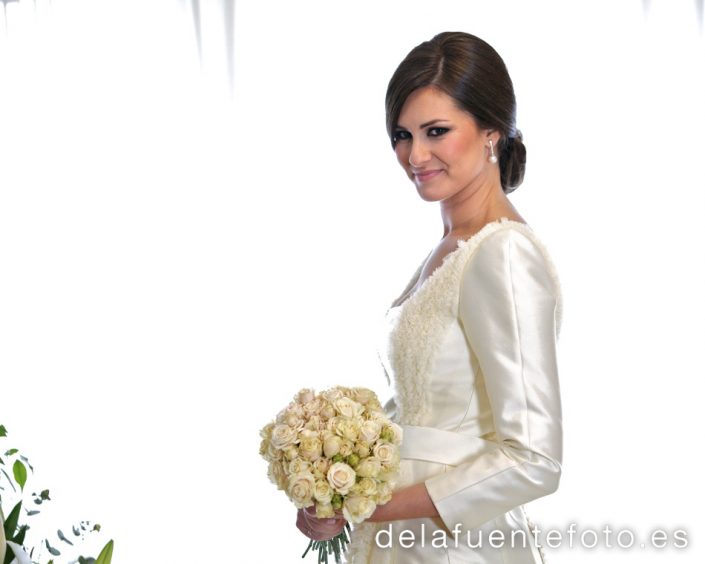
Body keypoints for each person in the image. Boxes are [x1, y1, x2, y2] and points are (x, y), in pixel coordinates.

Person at [296, 31, 564, 563]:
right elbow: (427, 412)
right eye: (402, 134)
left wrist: (372, 507)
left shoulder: (503, 253)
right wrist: (333, 487)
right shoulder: (450, 248)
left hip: (456, 548)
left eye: (436, 131)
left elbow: (534, 458)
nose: (414, 155)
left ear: (492, 131)